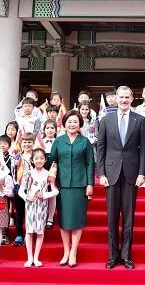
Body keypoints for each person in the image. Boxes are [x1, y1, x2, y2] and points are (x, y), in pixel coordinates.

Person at [96, 86, 145, 270]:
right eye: (121, 97)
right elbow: (100, 148)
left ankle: (126, 255)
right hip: (110, 174)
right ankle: (112, 255)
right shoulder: (106, 119)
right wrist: (100, 173)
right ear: (115, 98)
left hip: (132, 174)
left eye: (127, 97)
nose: (124, 100)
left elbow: (144, 150)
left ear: (132, 99)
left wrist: (142, 173)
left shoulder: (139, 120)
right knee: (111, 217)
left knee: (128, 217)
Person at [50, 110, 94, 267]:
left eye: (75, 121)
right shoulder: (58, 141)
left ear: (80, 123)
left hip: (79, 185)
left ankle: (74, 251)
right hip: (62, 186)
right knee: (64, 221)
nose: (72, 124)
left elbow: (90, 164)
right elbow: (51, 161)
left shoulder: (85, 142)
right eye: (69, 121)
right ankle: (66, 251)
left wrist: (90, 184)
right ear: (64, 123)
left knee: (76, 220)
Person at [19, 148, 59, 267]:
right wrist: (27, 197)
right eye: (36, 158)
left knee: (40, 232)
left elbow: (55, 191)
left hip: (42, 206)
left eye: (41, 158)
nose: (39, 161)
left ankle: (36, 257)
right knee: (29, 231)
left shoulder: (49, 174)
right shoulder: (28, 174)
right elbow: (21, 190)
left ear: (45, 159)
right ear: (32, 160)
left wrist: (45, 195)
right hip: (30, 205)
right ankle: (29, 258)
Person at [12, 133, 35, 247]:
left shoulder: (36, 156)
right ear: (21, 143)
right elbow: (13, 172)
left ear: (33, 143)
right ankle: (19, 234)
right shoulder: (17, 156)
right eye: (25, 142)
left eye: (29, 142)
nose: (27, 144)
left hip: (32, 188)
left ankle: (29, 235)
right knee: (20, 212)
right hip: (19, 186)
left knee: (31, 213)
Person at [41, 120, 58, 229]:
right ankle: (42, 216)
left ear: (56, 130)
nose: (50, 130)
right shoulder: (40, 141)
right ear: (44, 130)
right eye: (47, 128)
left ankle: (50, 218)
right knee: (42, 192)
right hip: (41, 168)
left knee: (52, 193)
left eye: (52, 128)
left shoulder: (59, 141)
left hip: (55, 168)